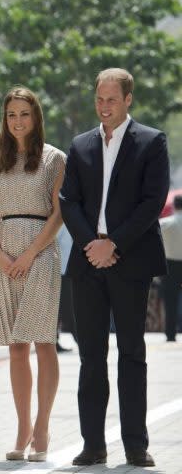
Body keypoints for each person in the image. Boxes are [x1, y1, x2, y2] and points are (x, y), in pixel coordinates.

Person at [60, 68, 169, 467]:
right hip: (89, 261)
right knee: (91, 356)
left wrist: (114, 243)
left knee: (131, 354)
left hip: (130, 259)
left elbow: (152, 201)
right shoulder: (80, 144)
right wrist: (93, 243)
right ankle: (93, 445)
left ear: (128, 100)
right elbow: (68, 200)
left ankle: (135, 445)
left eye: (111, 99)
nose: (104, 106)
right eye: (99, 99)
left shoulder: (151, 142)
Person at [0, 86, 65, 462]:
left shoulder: (54, 159)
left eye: (24, 114)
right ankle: (23, 428)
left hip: (40, 255)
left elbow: (58, 214)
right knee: (17, 347)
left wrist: (31, 254)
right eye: (12, 114)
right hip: (5, 259)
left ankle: (44, 426)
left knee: (43, 341)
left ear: (36, 118)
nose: (18, 121)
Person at [160, 195, 182, 342]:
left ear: (174, 205)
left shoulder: (165, 223)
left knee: (170, 301)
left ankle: (170, 333)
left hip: (170, 264)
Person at [55, 224, 76, 351]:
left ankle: (55, 341)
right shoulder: (60, 223)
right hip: (61, 270)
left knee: (62, 308)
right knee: (66, 308)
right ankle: (78, 338)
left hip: (67, 270)